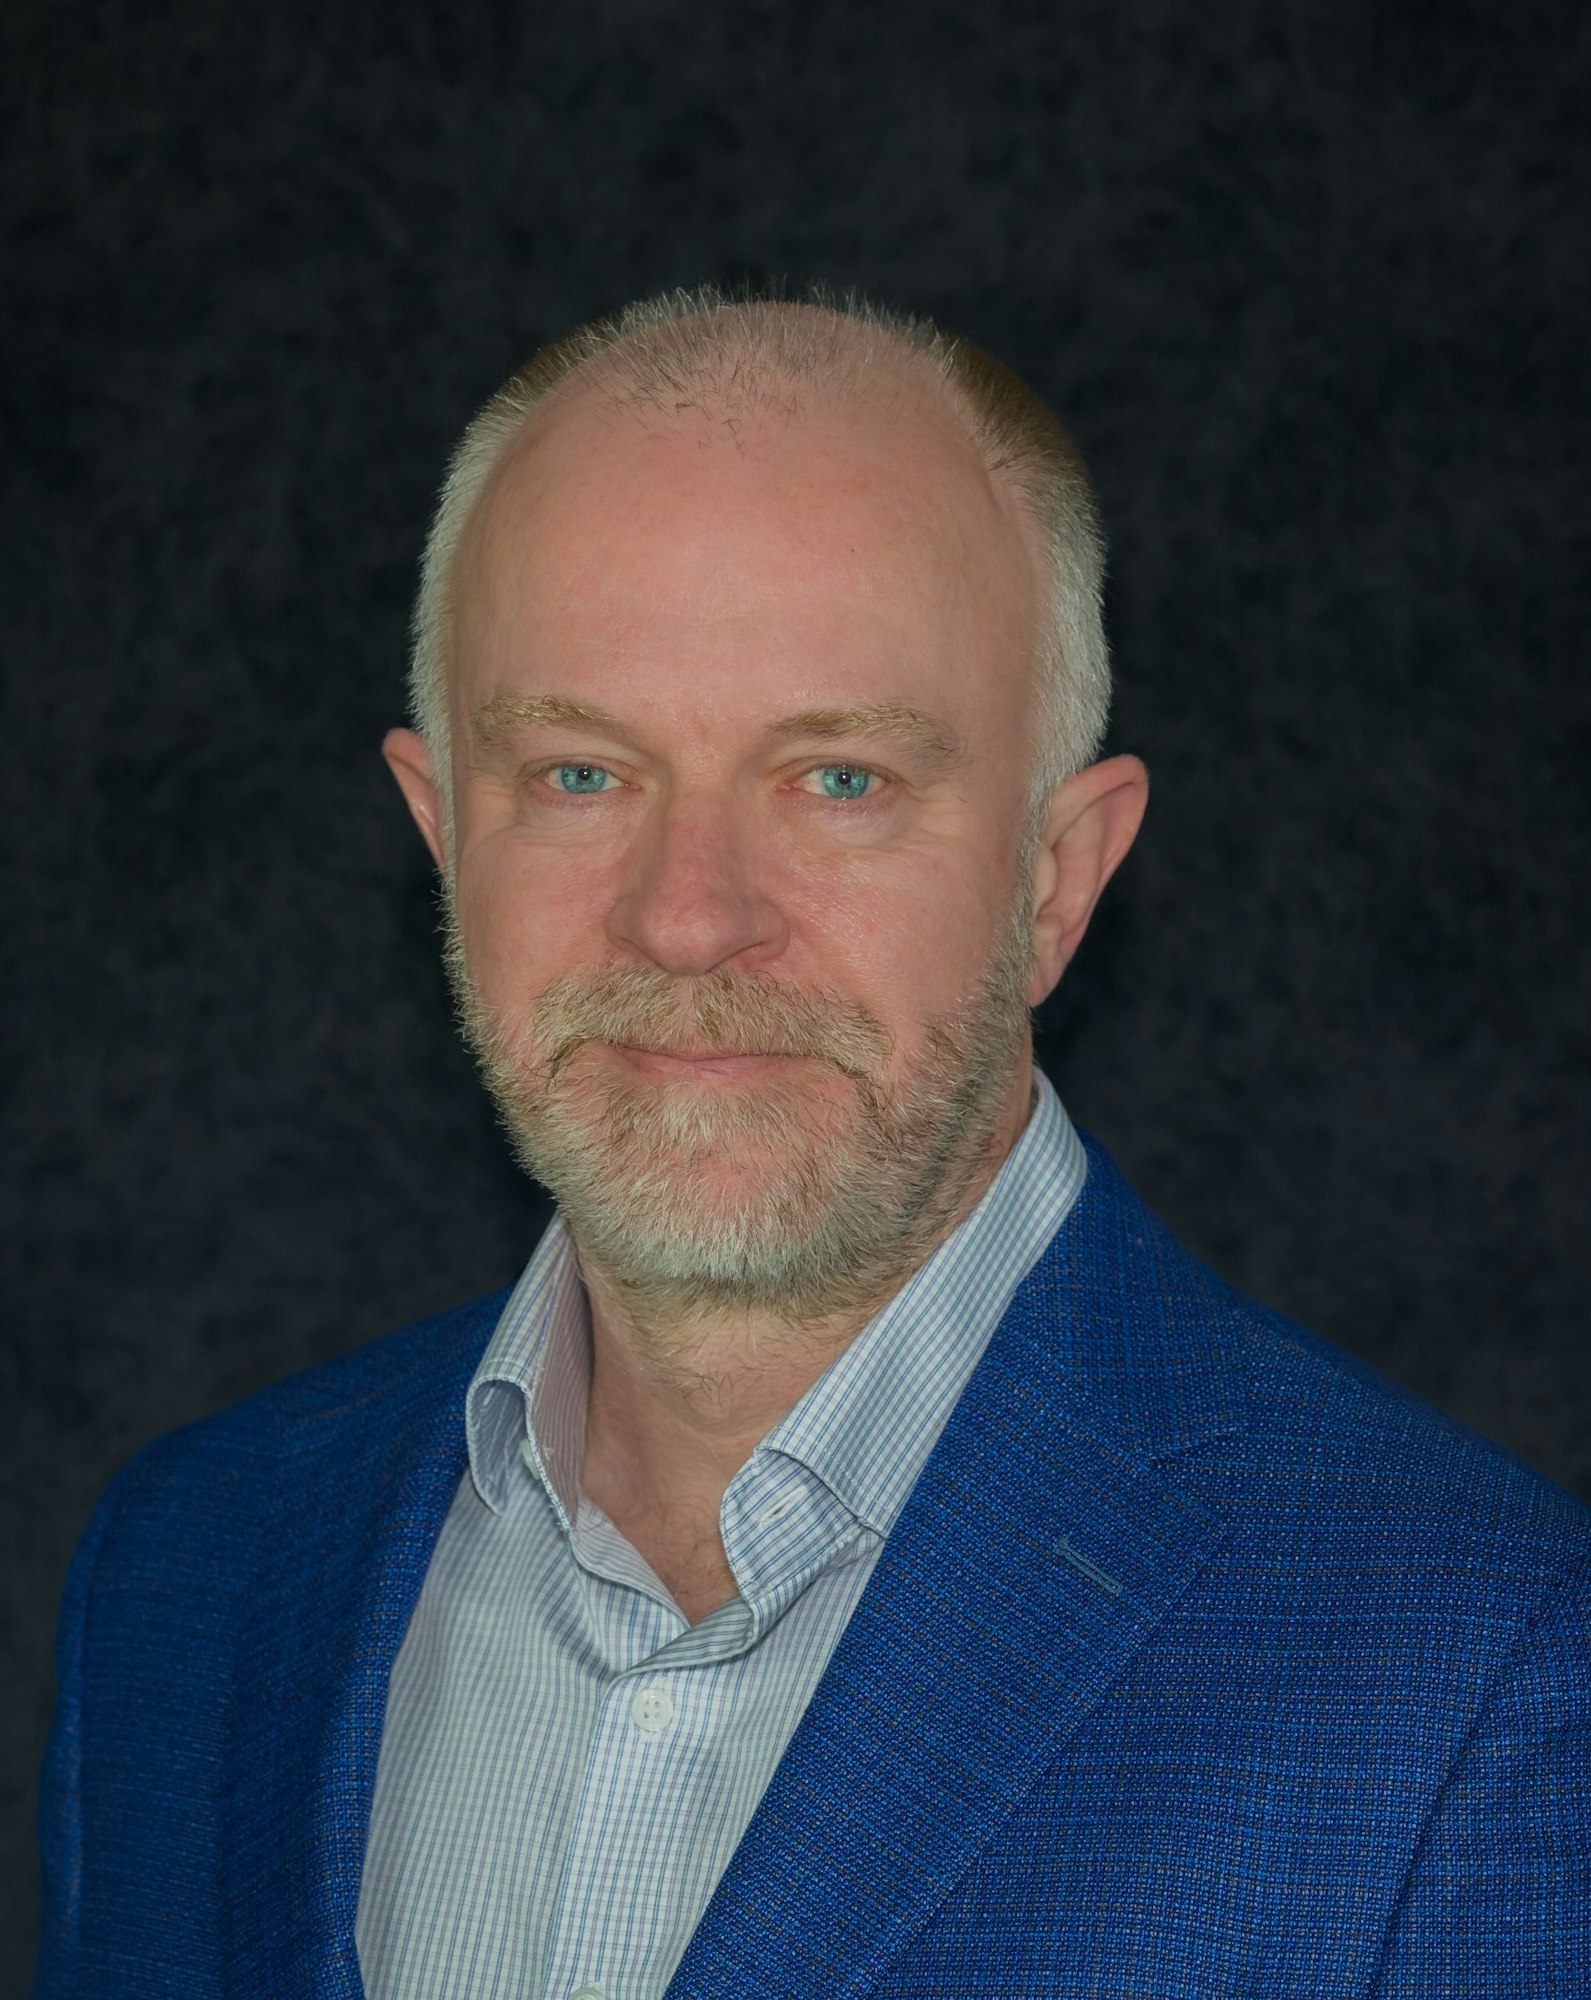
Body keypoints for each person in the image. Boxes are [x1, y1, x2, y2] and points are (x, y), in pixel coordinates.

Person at [34, 290, 1591, 2000]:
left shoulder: (1484, 1682)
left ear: (1057, 878)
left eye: (838, 779)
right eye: (576, 775)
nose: (690, 921)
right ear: (438, 832)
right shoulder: (193, 1574)